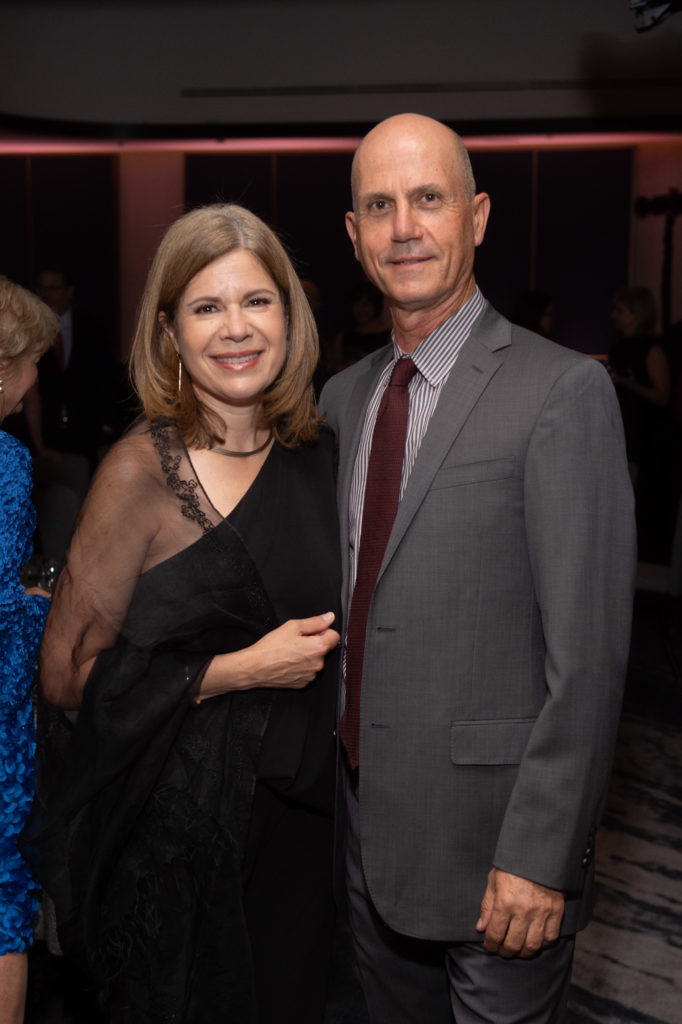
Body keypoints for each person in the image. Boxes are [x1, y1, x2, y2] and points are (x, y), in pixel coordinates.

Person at [319, 114, 636, 1024]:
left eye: (429, 198)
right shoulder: (342, 398)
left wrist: (542, 854)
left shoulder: (561, 390)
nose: (404, 228)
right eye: (380, 206)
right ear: (354, 234)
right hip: (365, 836)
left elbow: (589, 659)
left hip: (501, 852)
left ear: (479, 215)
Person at [21, 205, 341, 1024]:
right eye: (206, 307)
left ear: (289, 316)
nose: (236, 328)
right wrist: (236, 671)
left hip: (310, 834)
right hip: (180, 853)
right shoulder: (141, 473)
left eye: (257, 301)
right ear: (169, 332)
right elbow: (63, 676)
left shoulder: (325, 454)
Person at [0, 276, 57, 1024]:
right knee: (4, 897)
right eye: (33, 359)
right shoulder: (6, 463)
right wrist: (42, 614)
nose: (38, 376)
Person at [610, 286, 678, 563]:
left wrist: (629, 385)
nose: (614, 316)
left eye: (620, 311)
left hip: (648, 436)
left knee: (642, 499)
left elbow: (663, 396)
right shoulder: (619, 346)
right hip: (624, 430)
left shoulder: (653, 348)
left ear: (636, 314)